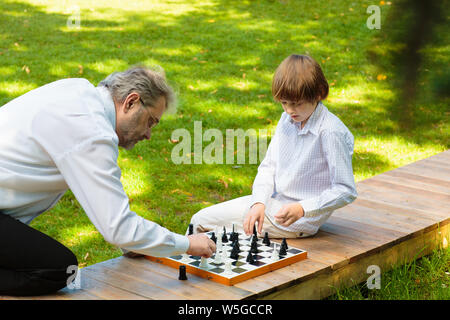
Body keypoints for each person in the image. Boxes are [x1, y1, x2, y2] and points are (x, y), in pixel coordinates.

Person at [0, 66, 215, 296]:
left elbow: (98, 198)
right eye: (151, 121)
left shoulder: (78, 91)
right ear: (131, 101)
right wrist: (188, 244)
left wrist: (135, 242)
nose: (149, 134)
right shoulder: (92, 132)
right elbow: (118, 228)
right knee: (60, 269)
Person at [188, 54, 357, 239]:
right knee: (200, 221)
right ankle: (187, 265)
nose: (289, 110)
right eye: (284, 103)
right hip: (271, 205)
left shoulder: (330, 131)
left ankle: (185, 264)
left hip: (296, 221)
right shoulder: (287, 119)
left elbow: (345, 190)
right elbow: (269, 166)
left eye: (297, 104)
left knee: (203, 225)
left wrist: (302, 208)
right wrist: (259, 202)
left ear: (319, 93)